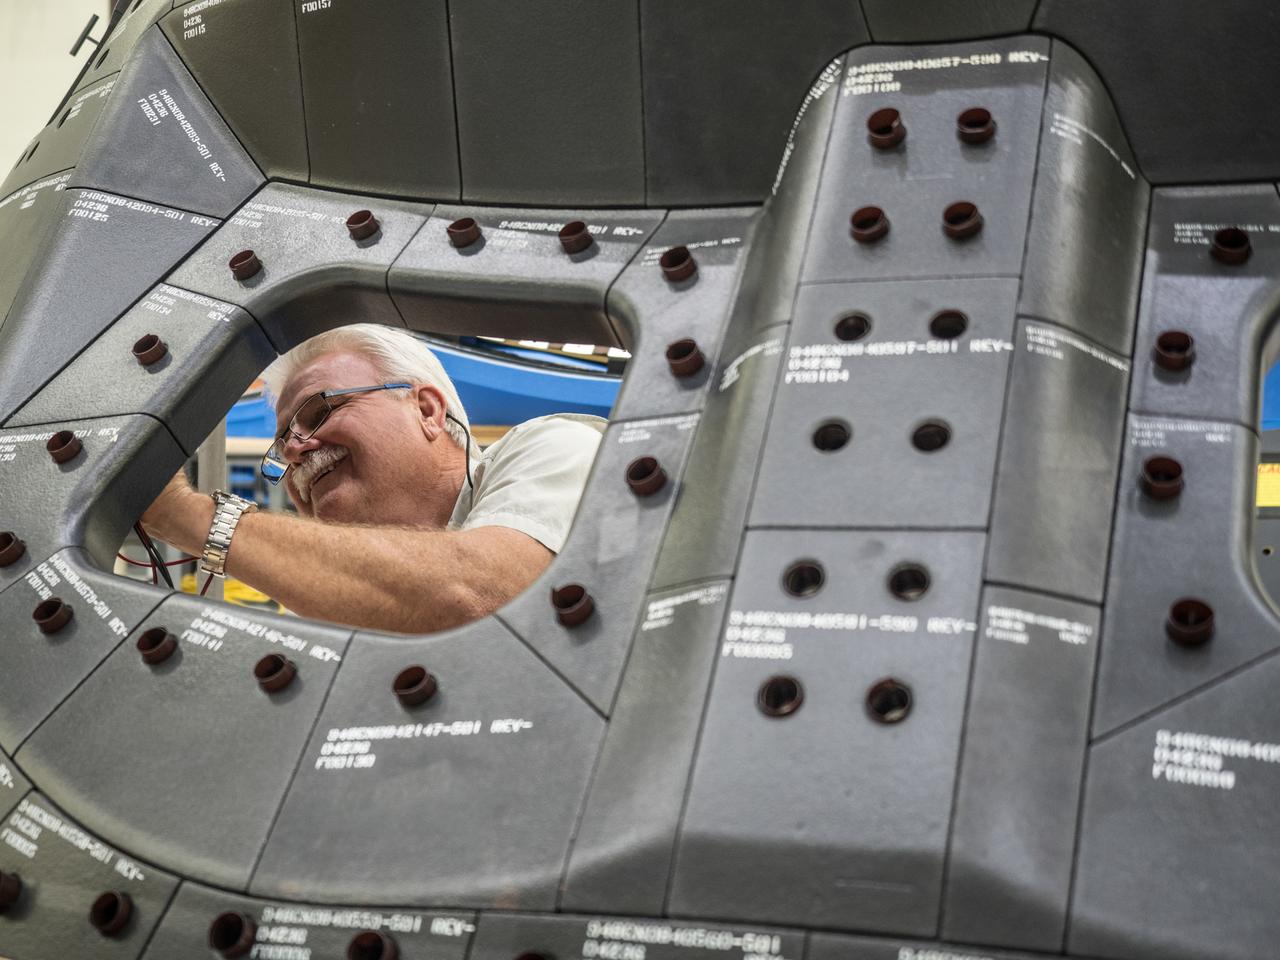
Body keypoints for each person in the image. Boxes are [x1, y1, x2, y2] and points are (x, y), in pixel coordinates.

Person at [141, 324, 605, 633]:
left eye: (318, 410)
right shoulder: (335, 607)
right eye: (283, 442)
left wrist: (185, 516)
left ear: (426, 410)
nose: (296, 448)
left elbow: (477, 595)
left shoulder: (554, 445)